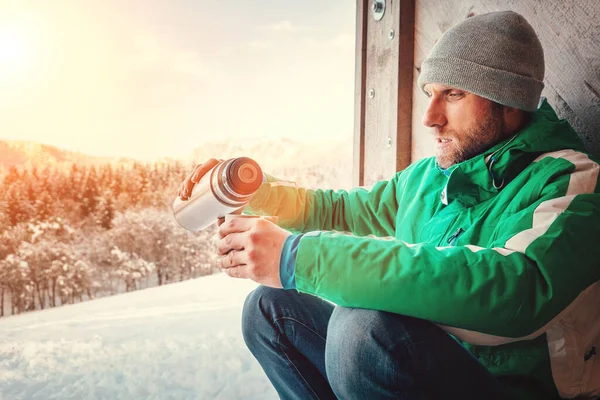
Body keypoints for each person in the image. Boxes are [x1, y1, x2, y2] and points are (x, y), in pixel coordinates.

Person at [178, 11, 600, 400]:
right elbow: (341, 210)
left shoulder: (571, 182)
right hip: (424, 367)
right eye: (430, 94)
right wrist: (252, 190)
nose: (430, 117)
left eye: (452, 94)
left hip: (511, 388)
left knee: (361, 332)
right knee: (269, 310)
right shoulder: (427, 178)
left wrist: (297, 257)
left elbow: (515, 290)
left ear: (510, 99)